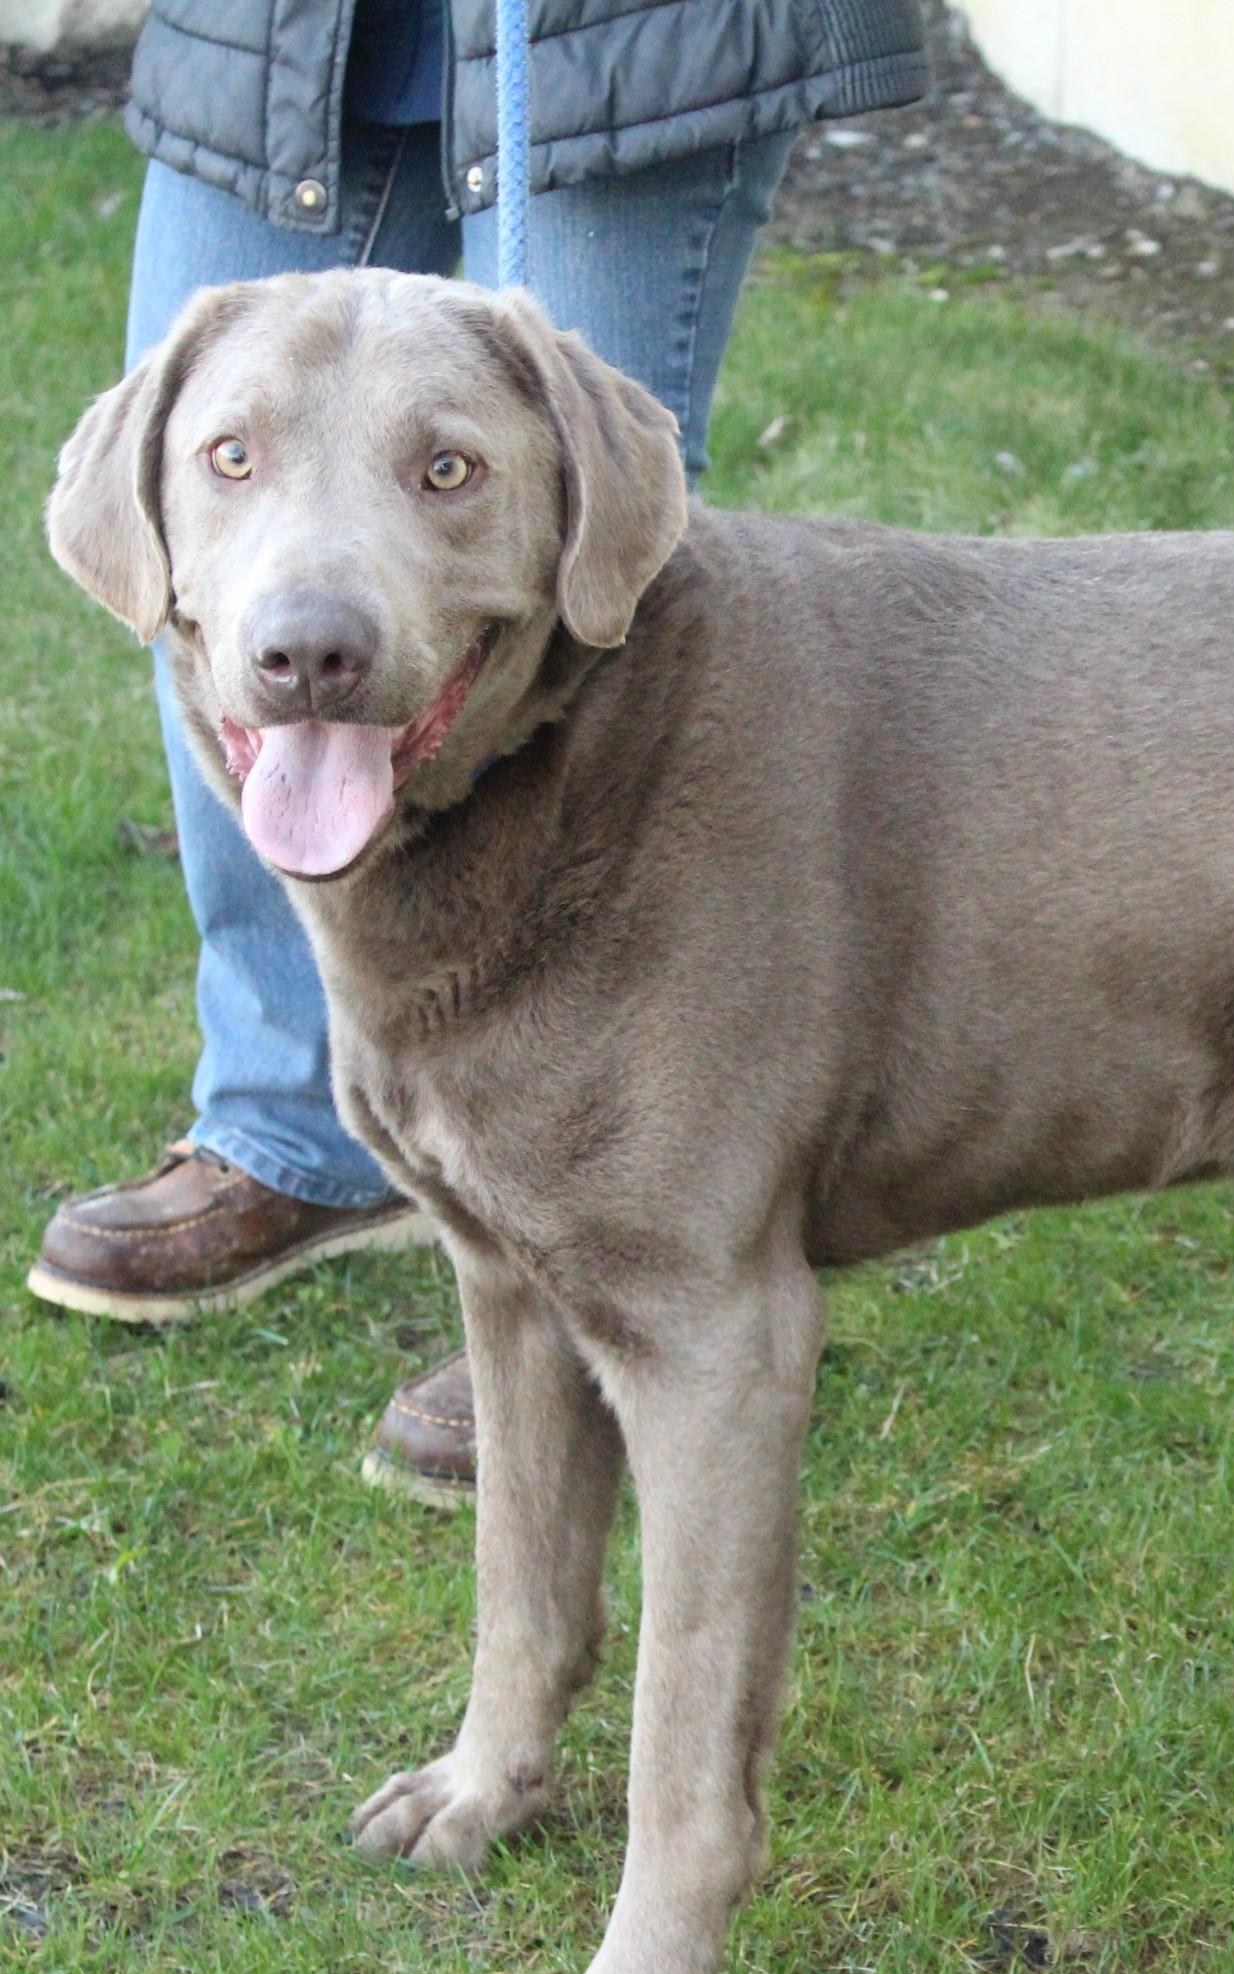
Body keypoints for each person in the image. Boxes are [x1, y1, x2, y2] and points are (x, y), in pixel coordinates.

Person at [26, 0, 928, 1504]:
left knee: (585, 588)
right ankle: (293, 1115)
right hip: (283, 28)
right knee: (253, 587)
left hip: (617, 30)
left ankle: (630, 1214)